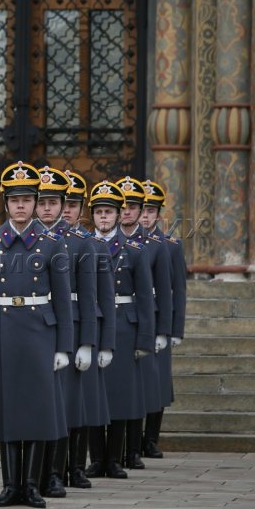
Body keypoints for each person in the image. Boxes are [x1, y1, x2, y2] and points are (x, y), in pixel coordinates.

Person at [0, 161, 73, 509]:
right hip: (3, 333)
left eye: (27, 199)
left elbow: (62, 300)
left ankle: (31, 485)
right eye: (15, 200)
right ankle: (10, 484)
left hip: (40, 333)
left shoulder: (51, 244)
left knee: (38, 410)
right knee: (8, 411)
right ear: (5, 203)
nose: (21, 206)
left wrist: (64, 347)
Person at [89, 180, 154, 479]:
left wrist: (145, 338)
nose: (104, 217)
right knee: (91, 394)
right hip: (93, 321)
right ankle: (95, 457)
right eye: (99, 211)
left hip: (124, 325)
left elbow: (144, 298)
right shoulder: (81, 245)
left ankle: (113, 459)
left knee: (118, 395)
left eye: (109, 212)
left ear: (119, 215)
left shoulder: (135, 250)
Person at [32, 167, 88, 499]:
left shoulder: (81, 242)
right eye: (44, 202)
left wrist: (89, 342)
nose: (50, 209)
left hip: (66, 327)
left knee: (62, 406)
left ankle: (55, 472)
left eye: (56, 203)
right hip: (35, 325)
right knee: (38, 404)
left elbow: (92, 295)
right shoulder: (25, 237)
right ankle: (32, 473)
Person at [62, 170, 114, 487]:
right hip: (52, 326)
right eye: (62, 203)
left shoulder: (92, 245)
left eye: (73, 204)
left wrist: (104, 343)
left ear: (82, 209)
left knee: (80, 402)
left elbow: (104, 298)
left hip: (84, 328)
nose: (66, 210)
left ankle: (77, 466)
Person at [117, 176, 170, 470]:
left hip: (141, 318)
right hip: (117, 320)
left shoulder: (157, 244)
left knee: (140, 388)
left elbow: (165, 289)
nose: (126, 211)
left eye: (133, 207)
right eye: (121, 206)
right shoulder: (104, 240)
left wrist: (163, 330)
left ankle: (137, 446)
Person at [139, 180, 186, 459]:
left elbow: (177, 289)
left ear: (159, 214)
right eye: (142, 210)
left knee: (157, 381)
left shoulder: (170, 246)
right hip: (134, 317)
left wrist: (173, 328)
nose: (145, 216)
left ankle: (151, 438)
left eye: (151, 211)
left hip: (159, 318)